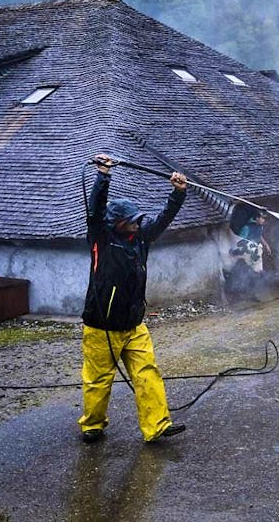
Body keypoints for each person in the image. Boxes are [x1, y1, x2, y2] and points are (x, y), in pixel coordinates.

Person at [78, 153, 188, 444]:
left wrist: (178, 194)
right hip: (101, 326)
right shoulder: (101, 238)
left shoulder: (140, 238)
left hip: (133, 324)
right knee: (98, 379)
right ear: (117, 224)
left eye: (138, 220)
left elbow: (163, 219)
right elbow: (95, 211)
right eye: (132, 221)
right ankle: (93, 424)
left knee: (146, 372)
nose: (138, 224)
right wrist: (103, 175)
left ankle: (157, 425)